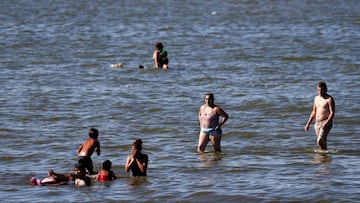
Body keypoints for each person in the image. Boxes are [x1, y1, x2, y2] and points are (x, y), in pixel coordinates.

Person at [304, 81, 335, 150]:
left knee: (320, 140)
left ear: (325, 89)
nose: (320, 91)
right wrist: (308, 123)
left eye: (322, 90)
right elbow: (314, 111)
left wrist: (326, 123)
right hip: (317, 123)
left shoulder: (329, 99)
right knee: (322, 141)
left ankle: (324, 154)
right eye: (319, 90)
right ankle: (324, 156)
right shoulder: (316, 98)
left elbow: (332, 113)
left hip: (326, 122)